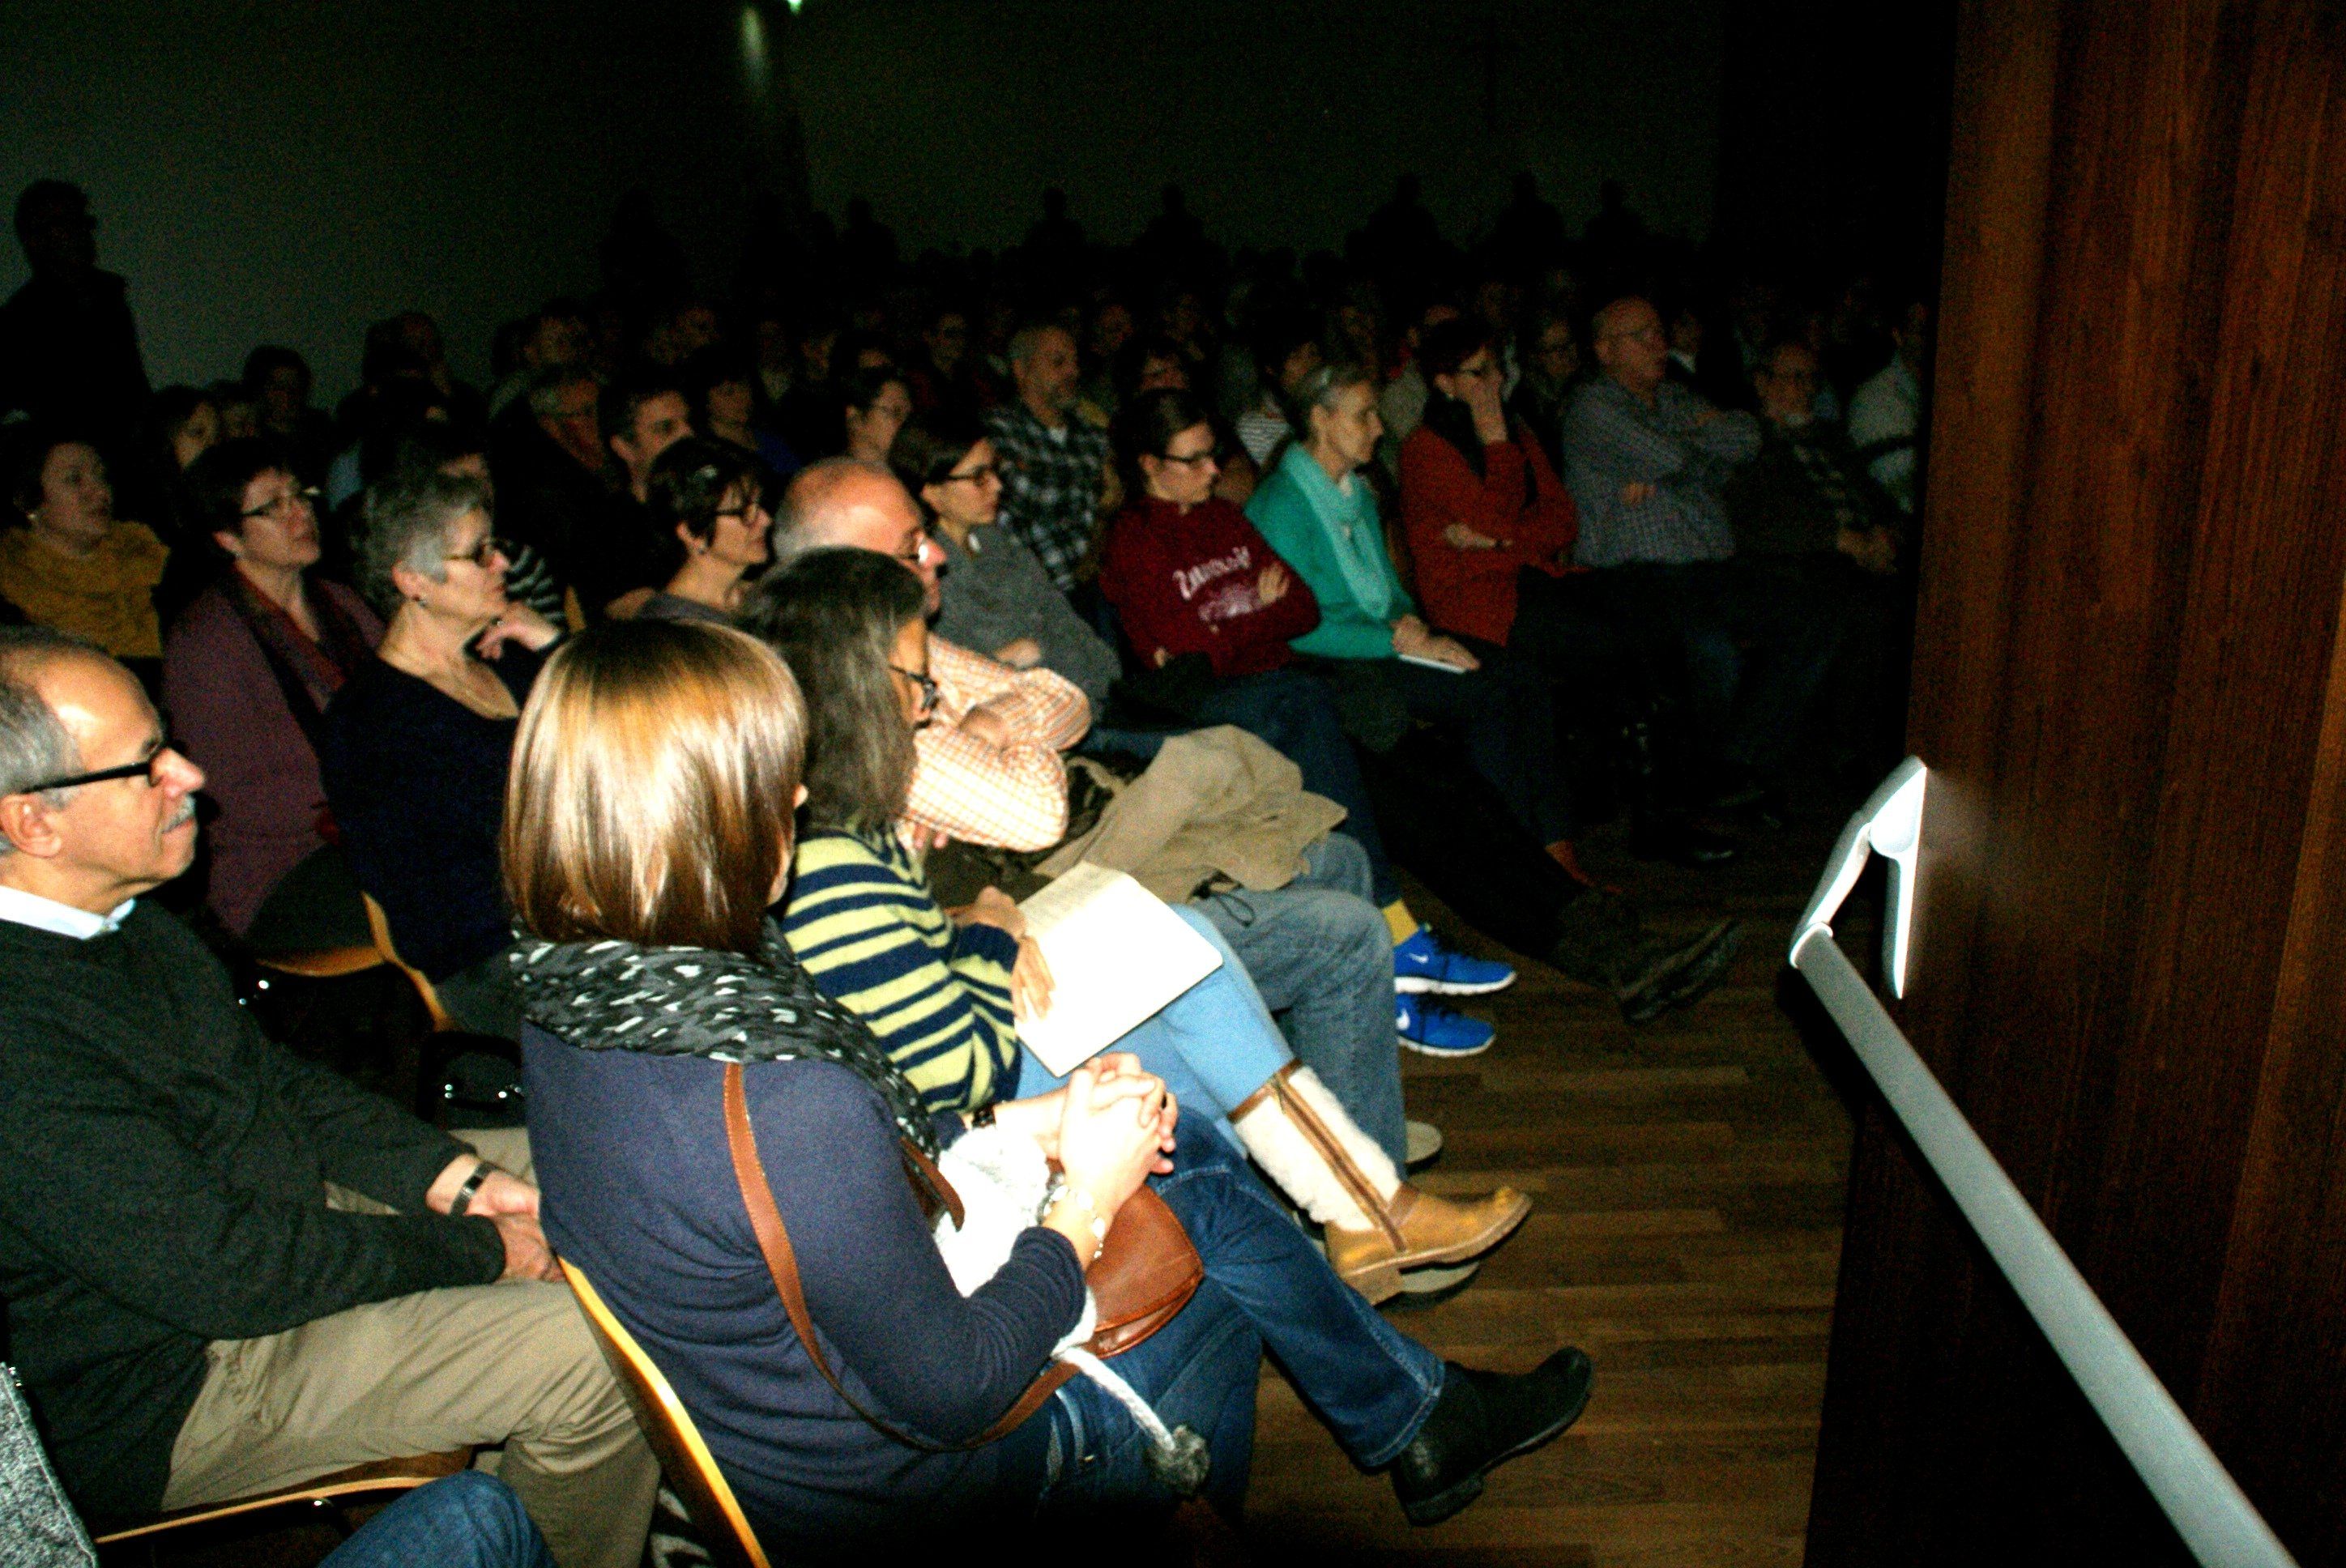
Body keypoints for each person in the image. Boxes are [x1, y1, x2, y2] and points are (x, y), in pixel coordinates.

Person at [510, 616, 1593, 1548]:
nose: (796, 790)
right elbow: (958, 1388)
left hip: (788, 1431)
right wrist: (1081, 1202)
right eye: (768, 775)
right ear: (701, 812)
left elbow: (828, 1182)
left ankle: (1421, 1418)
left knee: (1188, 1151)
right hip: (924, 1492)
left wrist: (1021, 1121)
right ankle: (1388, 1430)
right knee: (1204, 1264)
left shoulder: (581, 1000)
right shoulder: (777, 1091)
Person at [0, 624, 657, 1565]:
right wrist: (480, 1249)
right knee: (598, 1356)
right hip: (180, 1377)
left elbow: (274, 1084)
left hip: (272, 1223)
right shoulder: (19, 1035)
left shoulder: (116, 916)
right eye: (146, 765)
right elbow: (223, 1270)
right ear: (34, 823)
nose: (188, 773)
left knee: (603, 1163)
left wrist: (455, 1178)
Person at [751, 552, 1529, 1304]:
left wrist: (971, 923)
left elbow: (897, 953)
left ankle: (1354, 1220)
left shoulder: (839, 820)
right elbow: (961, 1069)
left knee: (1188, 982)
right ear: (856, 688)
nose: (928, 707)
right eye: (918, 683)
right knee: (1191, 1008)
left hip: (976, 1026)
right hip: (962, 1109)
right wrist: (990, 934)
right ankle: (1364, 1214)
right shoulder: (829, 857)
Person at [1124, 390, 1737, 1027]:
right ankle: (1617, 961)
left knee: (1461, 795)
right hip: (1264, 725)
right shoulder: (1136, 543)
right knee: (1434, 828)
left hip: (1316, 700)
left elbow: (1299, 611)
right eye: (1193, 460)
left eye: (1213, 455)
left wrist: (1243, 618)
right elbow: (1189, 663)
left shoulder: (1226, 522)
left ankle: (1618, 948)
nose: (1214, 471)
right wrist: (1258, 607)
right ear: (1149, 464)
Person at [1246, 364, 1582, 872]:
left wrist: (1412, 626)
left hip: (1387, 639)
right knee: (1488, 695)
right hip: (1334, 661)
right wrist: (1400, 641)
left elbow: (1390, 592)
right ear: (1321, 419)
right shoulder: (1280, 506)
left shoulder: (1352, 492)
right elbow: (1298, 628)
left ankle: (1556, 849)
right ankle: (1510, 861)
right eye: (1364, 416)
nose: (1379, 428)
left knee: (1525, 679)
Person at [1563, 296, 1839, 813]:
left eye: (1658, 331)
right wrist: (1697, 447)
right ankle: (1722, 774)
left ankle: (1739, 763)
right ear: (1604, 350)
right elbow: (1677, 457)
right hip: (1638, 572)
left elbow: (1747, 438)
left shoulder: (1672, 397)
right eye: (1640, 335)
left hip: (1710, 563)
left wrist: (1680, 459)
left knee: (1818, 615)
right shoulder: (1592, 407)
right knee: (1712, 647)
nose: (1658, 344)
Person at [322, 469, 561, 1037]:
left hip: (575, 918)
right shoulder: (372, 721)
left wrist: (551, 642)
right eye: (479, 554)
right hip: (492, 957)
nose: (502, 563)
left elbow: (629, 742)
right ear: (412, 580)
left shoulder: (509, 661)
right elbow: (435, 902)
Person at [163, 439, 382, 950]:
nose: (299, 514)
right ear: (228, 537)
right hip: (282, 865)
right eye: (272, 507)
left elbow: (403, 701)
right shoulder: (206, 642)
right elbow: (233, 793)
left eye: (300, 496)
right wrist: (373, 786)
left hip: (374, 824)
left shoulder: (340, 603)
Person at [893, 412, 1121, 713]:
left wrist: (1032, 652)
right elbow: (964, 694)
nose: (998, 485)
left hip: (1083, 708)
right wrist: (1032, 656)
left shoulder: (1005, 547)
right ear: (931, 492)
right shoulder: (927, 582)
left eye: (995, 470)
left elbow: (1100, 657)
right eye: (979, 477)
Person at [0, 181, 150, 450]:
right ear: (34, 239)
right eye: (64, 224)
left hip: (128, 457)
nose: (80, 233)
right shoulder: (20, 319)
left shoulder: (108, 296)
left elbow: (133, 387)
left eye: (82, 222)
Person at [1, 433, 168, 671]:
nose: (100, 492)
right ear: (29, 500)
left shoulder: (145, 555)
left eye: (102, 476)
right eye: (74, 480)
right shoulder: (13, 585)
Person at [984, 323, 1115, 594]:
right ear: (1021, 370)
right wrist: (1101, 497)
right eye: (1058, 362)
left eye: (1075, 363)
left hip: (1105, 585)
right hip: (1041, 595)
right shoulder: (998, 428)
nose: (1073, 372)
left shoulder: (1092, 433)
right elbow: (1027, 493)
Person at [637, 437, 773, 624]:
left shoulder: (763, 596)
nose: (765, 520)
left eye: (759, 505)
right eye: (743, 512)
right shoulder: (674, 626)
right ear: (692, 533)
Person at [1847, 298, 1929, 516]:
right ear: (1898, 335)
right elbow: (1903, 496)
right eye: (1921, 331)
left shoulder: (1942, 394)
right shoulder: (1876, 400)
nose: (1931, 339)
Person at [681, 344, 801, 483]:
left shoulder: (771, 441)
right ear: (704, 400)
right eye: (728, 393)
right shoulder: (706, 458)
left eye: (744, 386)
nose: (742, 397)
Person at [841, 364, 915, 466]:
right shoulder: (827, 473)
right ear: (855, 416)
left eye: (908, 417)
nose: (904, 424)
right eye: (895, 412)